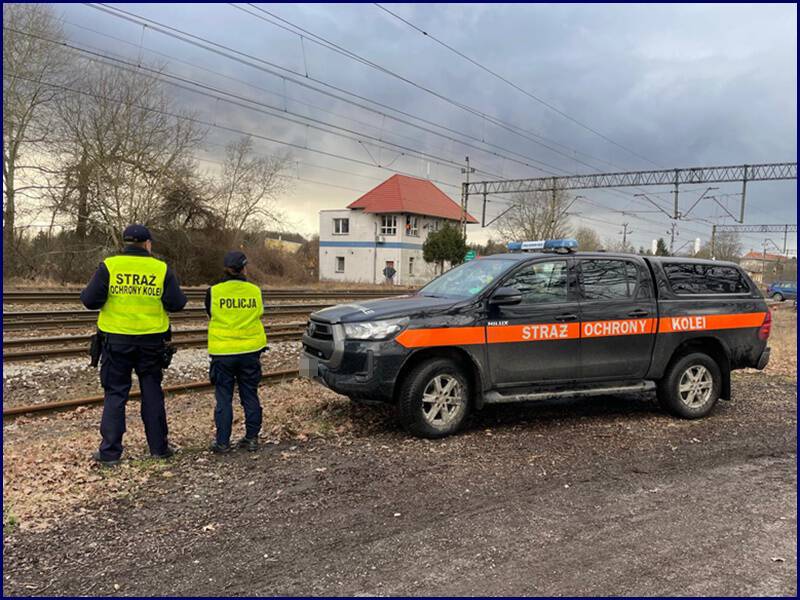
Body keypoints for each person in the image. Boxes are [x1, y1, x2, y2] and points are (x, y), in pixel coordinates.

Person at [81, 224, 187, 466]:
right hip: (151, 343)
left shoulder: (110, 266)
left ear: (125, 243)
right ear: (148, 244)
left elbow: (89, 300)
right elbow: (177, 303)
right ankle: (159, 448)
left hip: (115, 342)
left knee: (115, 393)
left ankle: (110, 453)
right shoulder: (160, 269)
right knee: (152, 392)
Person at [205, 251, 267, 454]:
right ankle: (252, 439)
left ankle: (222, 443)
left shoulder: (214, 292)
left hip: (223, 352)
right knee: (250, 394)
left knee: (224, 397)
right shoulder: (255, 291)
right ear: (244, 268)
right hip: (250, 351)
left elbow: (210, 313)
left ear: (226, 269)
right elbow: (259, 313)